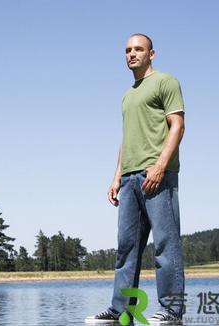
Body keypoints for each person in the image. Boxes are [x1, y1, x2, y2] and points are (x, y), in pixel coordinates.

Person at [87, 33, 186, 324]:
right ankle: (122, 310)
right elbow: (127, 138)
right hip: (129, 179)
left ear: (151, 54)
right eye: (128, 50)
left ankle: (172, 311)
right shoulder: (127, 95)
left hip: (156, 175)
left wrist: (160, 166)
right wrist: (116, 176)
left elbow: (177, 125)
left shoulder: (166, 82)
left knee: (166, 245)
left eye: (138, 49)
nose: (132, 54)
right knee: (126, 248)